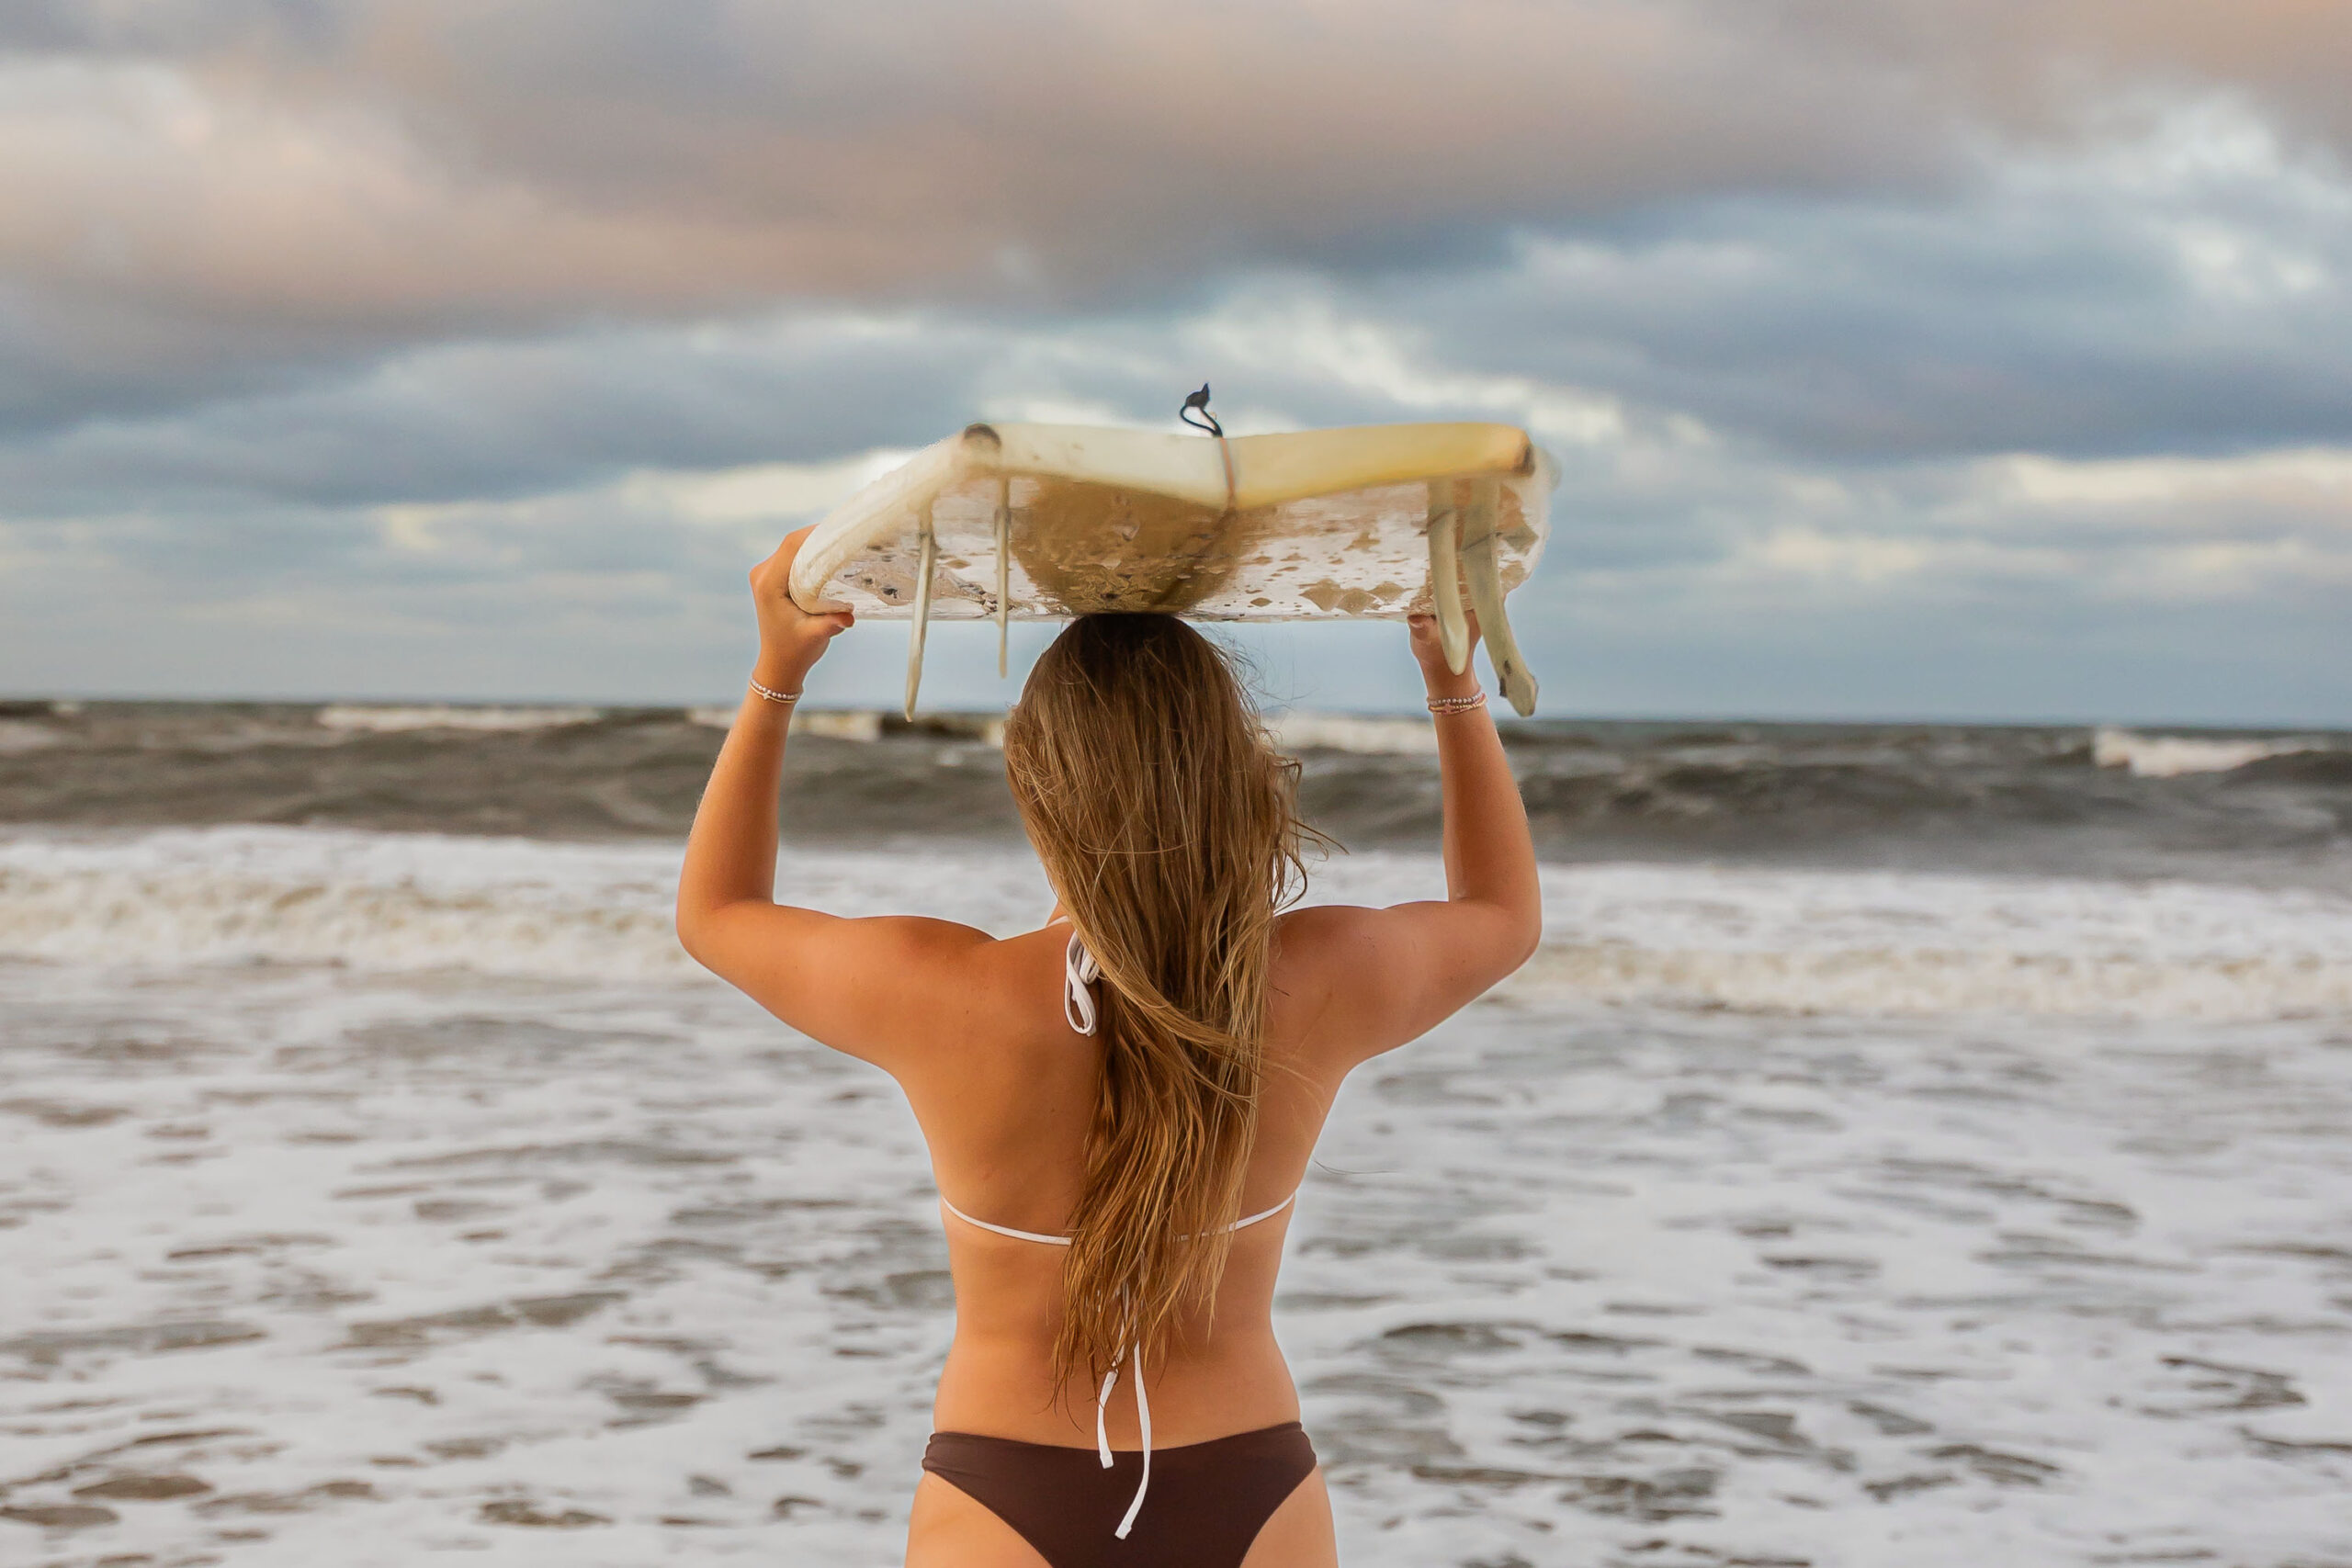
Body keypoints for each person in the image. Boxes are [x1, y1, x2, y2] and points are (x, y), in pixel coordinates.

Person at [675, 526, 1542, 1568]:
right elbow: (1500, 912)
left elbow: (717, 910)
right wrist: (1449, 681)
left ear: (1033, 786)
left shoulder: (945, 994)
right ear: (1239, 775)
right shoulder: (1318, 979)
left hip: (1004, 1491)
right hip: (1251, 1485)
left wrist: (777, 673)